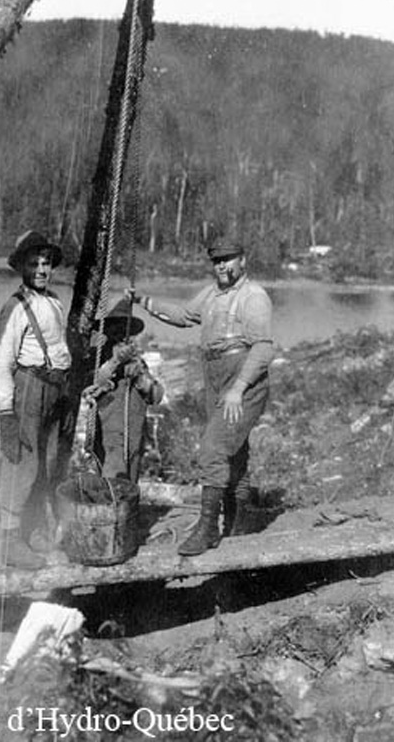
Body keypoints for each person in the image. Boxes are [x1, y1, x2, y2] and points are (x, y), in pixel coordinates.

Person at [131, 238, 274, 556]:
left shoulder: (254, 296)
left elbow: (263, 348)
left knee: (212, 449)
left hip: (242, 378)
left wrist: (238, 389)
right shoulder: (212, 294)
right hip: (215, 374)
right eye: (217, 261)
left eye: (228, 260)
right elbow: (182, 315)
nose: (222, 266)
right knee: (233, 452)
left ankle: (208, 528)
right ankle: (239, 523)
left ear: (243, 261)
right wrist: (143, 301)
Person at [0, 229, 72, 569]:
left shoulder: (53, 301)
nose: (41, 269)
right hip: (29, 387)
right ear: (22, 267)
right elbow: (0, 364)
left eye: (47, 263)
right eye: (34, 263)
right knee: (21, 462)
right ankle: (9, 542)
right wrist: (6, 413)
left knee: (48, 462)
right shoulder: (16, 306)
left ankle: (32, 529)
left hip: (54, 389)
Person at [84, 299, 164, 483]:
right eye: (115, 326)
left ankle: (128, 511)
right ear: (108, 329)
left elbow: (157, 396)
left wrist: (141, 379)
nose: (119, 332)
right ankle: (111, 509)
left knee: (131, 476)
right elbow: (93, 384)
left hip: (135, 430)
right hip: (109, 429)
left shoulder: (137, 360)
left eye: (124, 327)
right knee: (112, 474)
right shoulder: (98, 356)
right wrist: (115, 362)